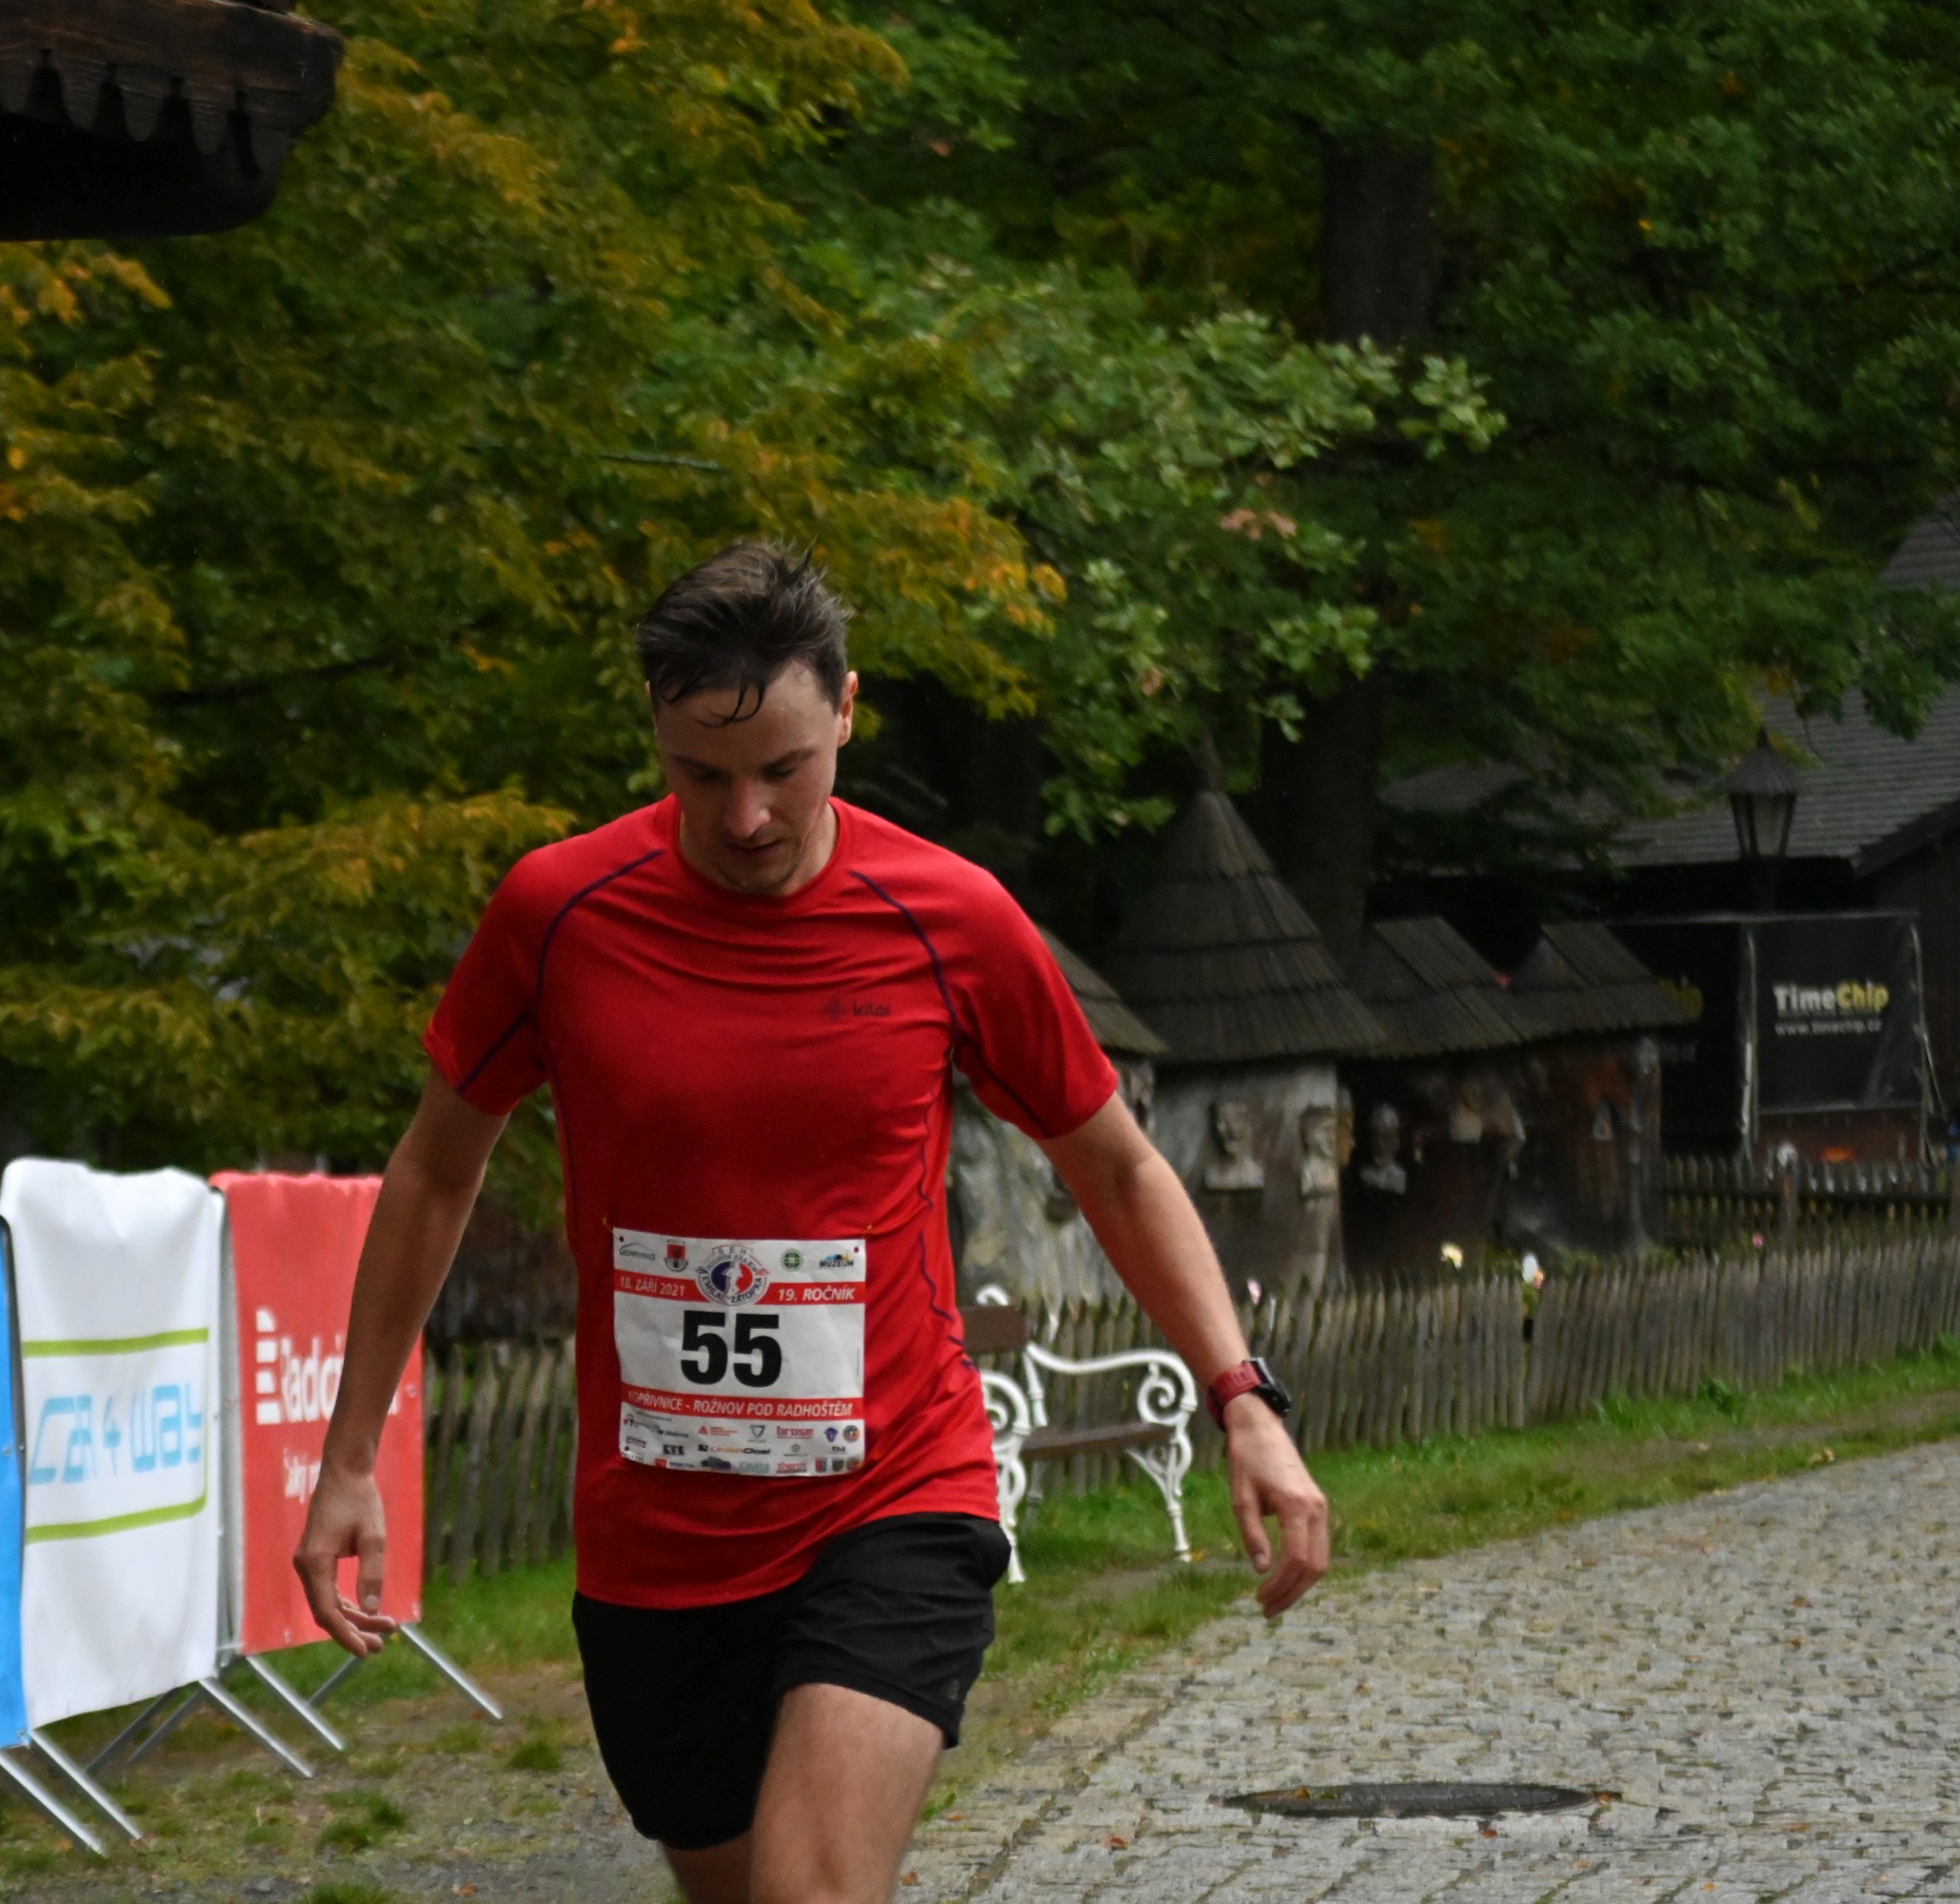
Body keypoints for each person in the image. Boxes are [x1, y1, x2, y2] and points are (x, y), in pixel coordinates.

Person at [295, 543, 1330, 1904]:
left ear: (847, 711)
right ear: (656, 737)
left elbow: (1119, 1169)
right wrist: (349, 1456)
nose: (745, 817)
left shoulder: (951, 918)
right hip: (658, 1545)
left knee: (809, 1890)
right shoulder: (560, 914)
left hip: (894, 1495)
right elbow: (436, 1170)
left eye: (783, 769)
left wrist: (1241, 1398)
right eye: (701, 776)